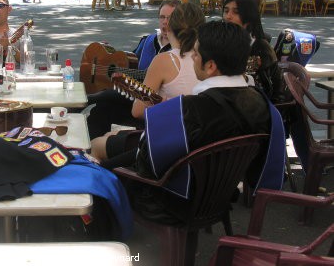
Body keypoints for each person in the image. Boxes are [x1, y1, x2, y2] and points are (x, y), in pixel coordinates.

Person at [93, 21, 285, 223]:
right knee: (114, 140)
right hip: (220, 196)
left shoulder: (189, 110)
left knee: (97, 166)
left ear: (210, 66)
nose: (192, 57)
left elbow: (147, 165)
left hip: (173, 201)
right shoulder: (263, 106)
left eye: (195, 53)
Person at [91, 2, 205, 160]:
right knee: (109, 119)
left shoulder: (166, 59)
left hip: (167, 146)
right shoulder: (207, 60)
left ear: (169, 27)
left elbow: (137, 111)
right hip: (200, 146)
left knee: (96, 144)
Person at [86, 0, 178, 139]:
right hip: (133, 97)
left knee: (109, 96)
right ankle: (89, 151)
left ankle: (85, 100)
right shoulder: (148, 40)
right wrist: (107, 58)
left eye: (170, 18)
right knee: (101, 109)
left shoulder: (179, 49)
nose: (165, 22)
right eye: (162, 17)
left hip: (154, 105)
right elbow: (128, 62)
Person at [222, 0, 285, 103]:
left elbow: (269, 90)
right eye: (226, 11)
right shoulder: (222, 42)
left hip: (259, 107)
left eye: (236, 12)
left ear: (248, 18)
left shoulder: (261, 48)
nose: (228, 16)